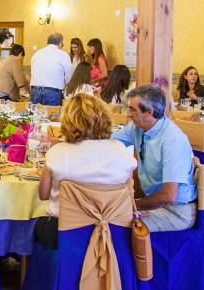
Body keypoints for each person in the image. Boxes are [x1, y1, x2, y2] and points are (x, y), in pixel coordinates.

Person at [34, 93, 138, 248]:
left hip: (66, 232)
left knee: (34, 224)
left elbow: (43, 195)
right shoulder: (121, 150)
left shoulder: (57, 152)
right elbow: (129, 191)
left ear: (67, 121)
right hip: (114, 230)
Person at [112, 85, 197, 232]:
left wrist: (133, 205)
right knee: (109, 214)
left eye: (132, 109)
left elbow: (169, 196)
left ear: (149, 112)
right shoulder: (137, 127)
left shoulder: (172, 140)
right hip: (157, 204)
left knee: (117, 223)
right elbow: (109, 142)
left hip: (176, 211)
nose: (128, 114)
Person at [29, 33, 73, 105]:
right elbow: (68, 77)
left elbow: (32, 71)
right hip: (53, 92)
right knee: (52, 112)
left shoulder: (37, 54)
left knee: (35, 112)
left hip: (35, 90)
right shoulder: (63, 55)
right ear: (60, 43)